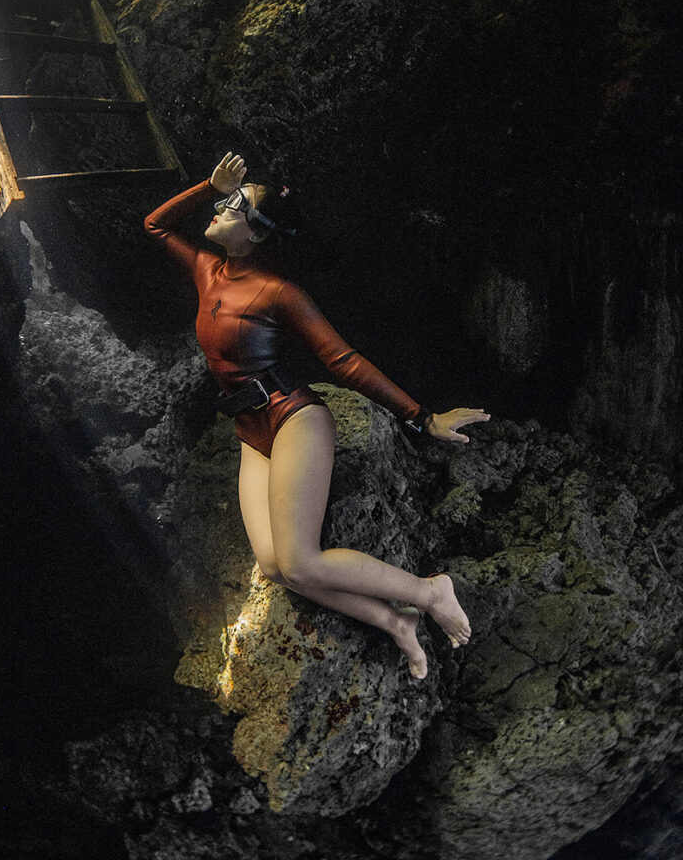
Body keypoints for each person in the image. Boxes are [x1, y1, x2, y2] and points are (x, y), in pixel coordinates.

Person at [145, 152, 490, 679]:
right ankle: (396, 622)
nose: (219, 206)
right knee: (275, 567)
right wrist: (206, 185)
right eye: (223, 199)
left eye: (233, 204)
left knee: (301, 560)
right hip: (249, 430)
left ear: (256, 235)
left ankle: (429, 591)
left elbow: (344, 361)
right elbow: (155, 223)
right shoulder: (207, 270)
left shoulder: (280, 293)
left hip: (293, 419)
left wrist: (423, 418)